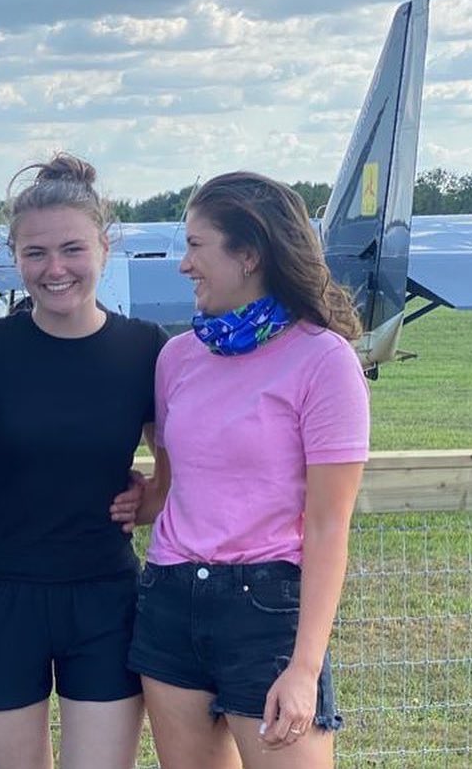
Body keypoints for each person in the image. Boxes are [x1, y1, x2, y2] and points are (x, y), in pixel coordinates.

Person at [122, 171, 370, 769]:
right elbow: (176, 479)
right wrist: (143, 498)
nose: (183, 264)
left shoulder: (324, 360)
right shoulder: (177, 358)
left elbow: (329, 527)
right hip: (169, 601)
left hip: (267, 613)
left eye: (196, 246)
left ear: (250, 254)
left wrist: (305, 668)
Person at [0, 153, 167, 769]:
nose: (55, 269)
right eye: (35, 253)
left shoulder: (144, 349)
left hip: (103, 594)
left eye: (72, 249)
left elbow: (183, 462)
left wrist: (154, 499)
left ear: (105, 246)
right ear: (14, 256)